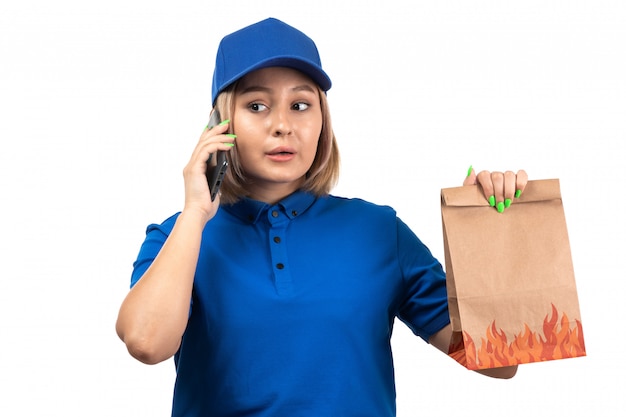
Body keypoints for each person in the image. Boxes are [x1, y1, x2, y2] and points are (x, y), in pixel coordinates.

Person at [116, 17, 528, 416]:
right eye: (257, 105)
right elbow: (146, 343)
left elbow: (498, 361)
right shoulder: (176, 237)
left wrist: (486, 229)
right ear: (220, 126)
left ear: (322, 122)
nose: (282, 125)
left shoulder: (380, 232)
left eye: (300, 105)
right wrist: (194, 213)